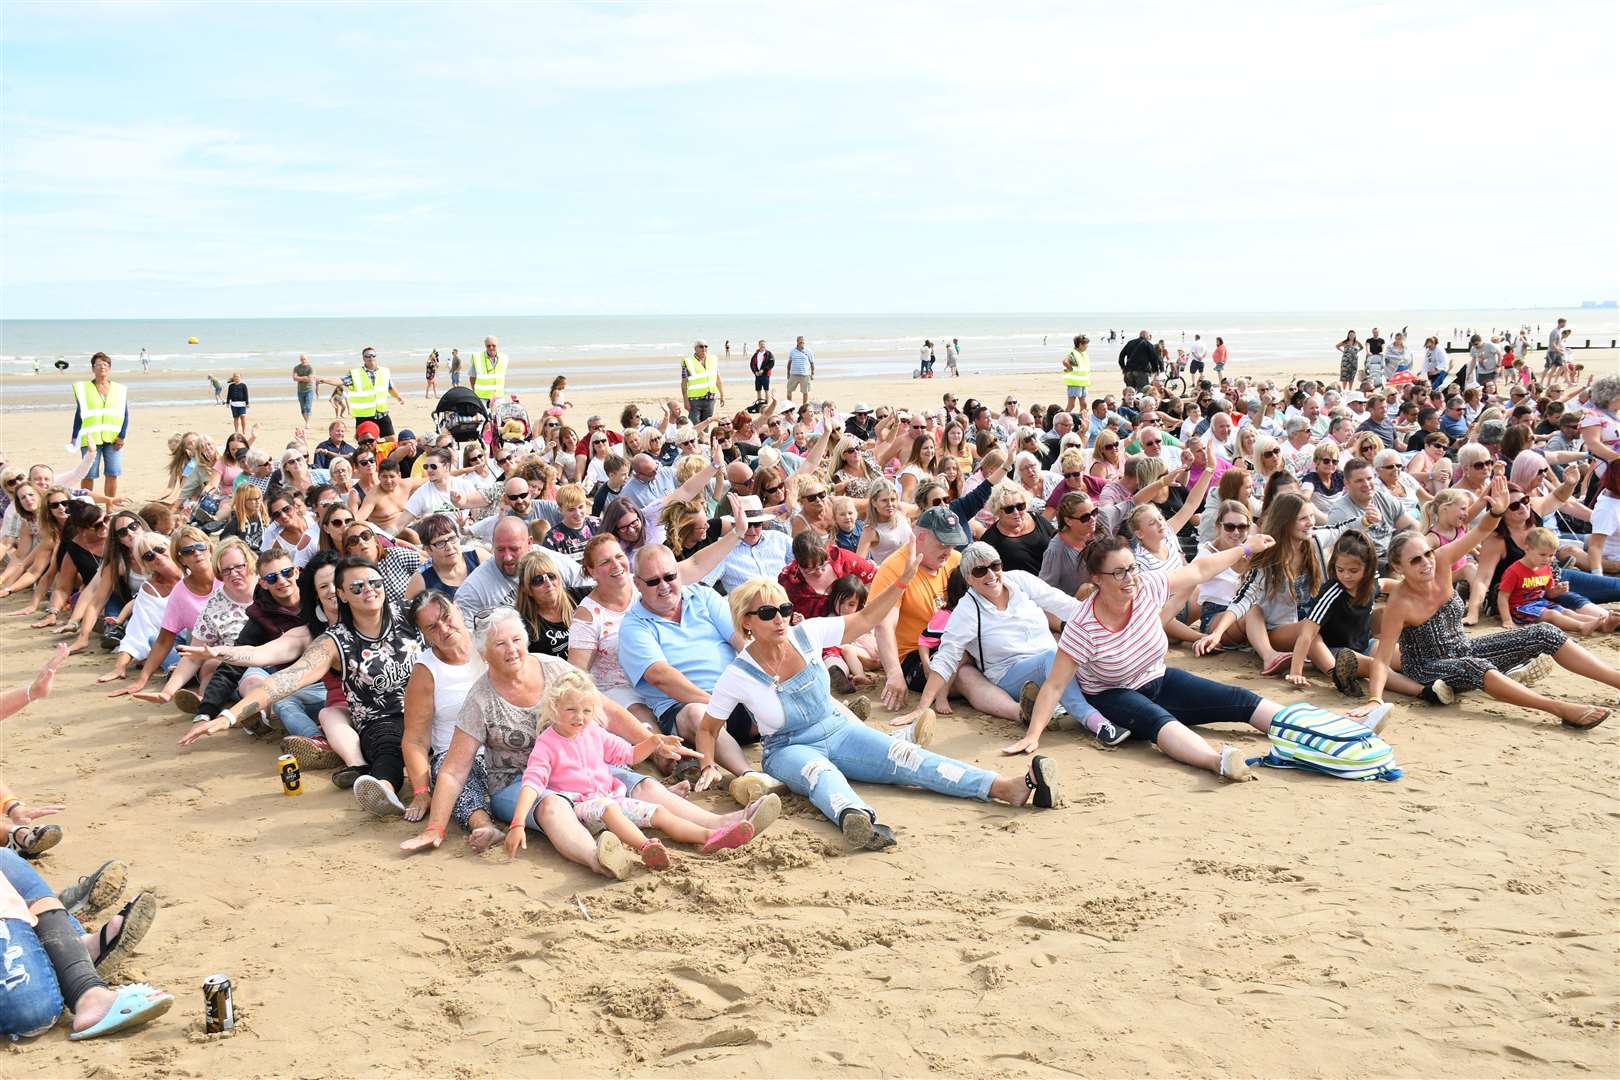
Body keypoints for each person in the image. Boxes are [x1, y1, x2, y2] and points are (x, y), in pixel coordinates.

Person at [692, 567, 1060, 851]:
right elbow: (708, 728)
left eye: (785, 609)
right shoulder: (738, 673)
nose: (780, 619)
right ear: (746, 621)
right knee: (821, 774)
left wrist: (900, 583)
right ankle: (856, 818)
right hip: (787, 748)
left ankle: (1003, 787)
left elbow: (866, 620)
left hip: (838, 728)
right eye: (769, 612)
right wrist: (708, 764)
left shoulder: (809, 634)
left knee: (908, 757)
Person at [401, 608, 768, 879]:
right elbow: (454, 770)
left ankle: (722, 823)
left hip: (577, 765)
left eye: (516, 640)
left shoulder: (553, 669)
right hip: (517, 781)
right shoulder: (480, 698)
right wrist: (435, 827)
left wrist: (651, 742)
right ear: (484, 652)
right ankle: (601, 858)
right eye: (500, 644)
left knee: (639, 783)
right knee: (552, 808)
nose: (511, 650)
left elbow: (607, 710)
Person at [1009, 533, 1395, 779]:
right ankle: (1219, 762)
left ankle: (1335, 732)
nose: (1130, 579)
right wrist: (1033, 735)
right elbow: (1056, 683)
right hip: (1111, 694)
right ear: (1096, 579)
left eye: (1132, 569)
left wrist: (1244, 549)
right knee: (1160, 723)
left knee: (1238, 700)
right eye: (1119, 574)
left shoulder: (1147, 587)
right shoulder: (1083, 625)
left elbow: (1199, 569)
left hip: (1157, 676)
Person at [1370, 481, 1618, 729]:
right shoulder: (1399, 604)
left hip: (1463, 648)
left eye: (1428, 554)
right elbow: (1381, 661)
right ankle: (1559, 709)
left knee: (1545, 633)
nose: (1426, 563)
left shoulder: (1442, 562)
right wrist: (1374, 700)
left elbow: (1480, 532)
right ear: (1399, 568)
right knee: (1473, 665)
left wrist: (1497, 512)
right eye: (1415, 560)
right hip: (1426, 668)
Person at [182, 556, 423, 807]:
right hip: (377, 719)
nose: (368, 590)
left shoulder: (410, 614)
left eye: (374, 582)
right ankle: (378, 786)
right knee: (383, 745)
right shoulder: (329, 640)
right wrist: (228, 716)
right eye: (356, 587)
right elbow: (282, 677)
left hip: (429, 709)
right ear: (343, 594)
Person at [504, 669, 762, 870]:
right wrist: (517, 823)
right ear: (554, 708)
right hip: (581, 807)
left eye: (586, 711)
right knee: (609, 808)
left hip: (610, 798)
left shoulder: (593, 732)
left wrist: (653, 742)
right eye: (571, 710)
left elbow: (628, 754)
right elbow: (532, 784)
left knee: (658, 812)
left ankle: (710, 836)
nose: (579, 717)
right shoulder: (548, 743)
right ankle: (645, 846)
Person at [897, 542, 1121, 745]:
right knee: (1055, 657)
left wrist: (1112, 618)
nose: (991, 575)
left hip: (1052, 661)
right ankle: (1094, 721)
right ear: (968, 578)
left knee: (1081, 654)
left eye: (995, 566)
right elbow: (947, 658)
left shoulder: (1020, 580)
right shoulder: (966, 609)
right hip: (1009, 674)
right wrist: (921, 707)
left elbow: (1064, 605)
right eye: (979, 570)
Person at [398, 592, 500, 847]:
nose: (443, 629)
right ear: (424, 634)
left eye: (446, 617)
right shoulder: (426, 671)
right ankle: (483, 826)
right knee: (455, 781)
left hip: (504, 745)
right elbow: (415, 740)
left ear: (458, 610)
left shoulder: (492, 644)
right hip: (455, 755)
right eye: (432, 627)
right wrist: (421, 791)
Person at [70, 351, 128, 501]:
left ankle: (110, 504)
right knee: (89, 473)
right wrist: (74, 436)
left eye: (105, 365)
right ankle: (86, 504)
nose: (102, 367)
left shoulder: (119, 390)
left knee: (113, 472)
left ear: (109, 368)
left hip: (113, 438)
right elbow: (79, 414)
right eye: (98, 365)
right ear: (93, 368)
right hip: (90, 439)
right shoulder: (84, 389)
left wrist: (122, 436)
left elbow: (124, 414)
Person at [345, 347, 405, 437]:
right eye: (368, 356)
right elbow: (341, 381)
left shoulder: (384, 371)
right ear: (363, 358)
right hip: (364, 415)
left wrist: (398, 397)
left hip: (382, 413)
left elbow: (390, 388)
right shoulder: (355, 373)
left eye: (373, 355)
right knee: (366, 442)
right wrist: (324, 380)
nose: (371, 358)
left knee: (392, 440)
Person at [680, 340, 724, 423]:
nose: (704, 348)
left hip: (710, 399)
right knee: (694, 425)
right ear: (695, 348)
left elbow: (717, 378)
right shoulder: (688, 362)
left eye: (706, 346)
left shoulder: (713, 359)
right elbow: (684, 383)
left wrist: (722, 394)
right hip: (694, 401)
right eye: (701, 346)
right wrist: (685, 401)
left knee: (706, 424)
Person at [468, 336, 508, 404]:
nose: (491, 348)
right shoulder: (477, 358)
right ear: (485, 346)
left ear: (497, 345)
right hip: (482, 398)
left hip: (499, 397)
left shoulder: (504, 358)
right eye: (488, 346)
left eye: (493, 345)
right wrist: (475, 391)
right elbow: (472, 377)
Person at [1061, 334, 1090, 412]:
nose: (1087, 346)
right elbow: (1065, 361)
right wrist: (1070, 369)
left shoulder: (1083, 353)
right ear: (1080, 344)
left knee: (1084, 405)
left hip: (1083, 383)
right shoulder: (1073, 353)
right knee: (1071, 405)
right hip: (1075, 383)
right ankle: (1064, 419)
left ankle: (1083, 420)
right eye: (1086, 344)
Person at [785, 335, 814, 405]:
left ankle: (804, 406)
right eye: (800, 342)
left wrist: (812, 373)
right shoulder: (792, 351)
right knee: (789, 390)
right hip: (794, 374)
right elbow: (789, 363)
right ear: (797, 342)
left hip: (805, 375)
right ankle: (789, 405)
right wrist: (788, 373)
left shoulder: (808, 351)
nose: (802, 343)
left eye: (803, 342)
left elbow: (812, 363)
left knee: (805, 391)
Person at [292, 354, 318, 423]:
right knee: (303, 408)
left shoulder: (310, 368)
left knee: (308, 407)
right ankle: (306, 421)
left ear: (307, 359)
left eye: (304, 359)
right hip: (300, 391)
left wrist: (300, 378)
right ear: (300, 360)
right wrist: (304, 378)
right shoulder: (296, 368)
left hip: (309, 390)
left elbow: (310, 379)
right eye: (302, 359)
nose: (303, 360)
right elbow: (294, 378)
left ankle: (308, 422)